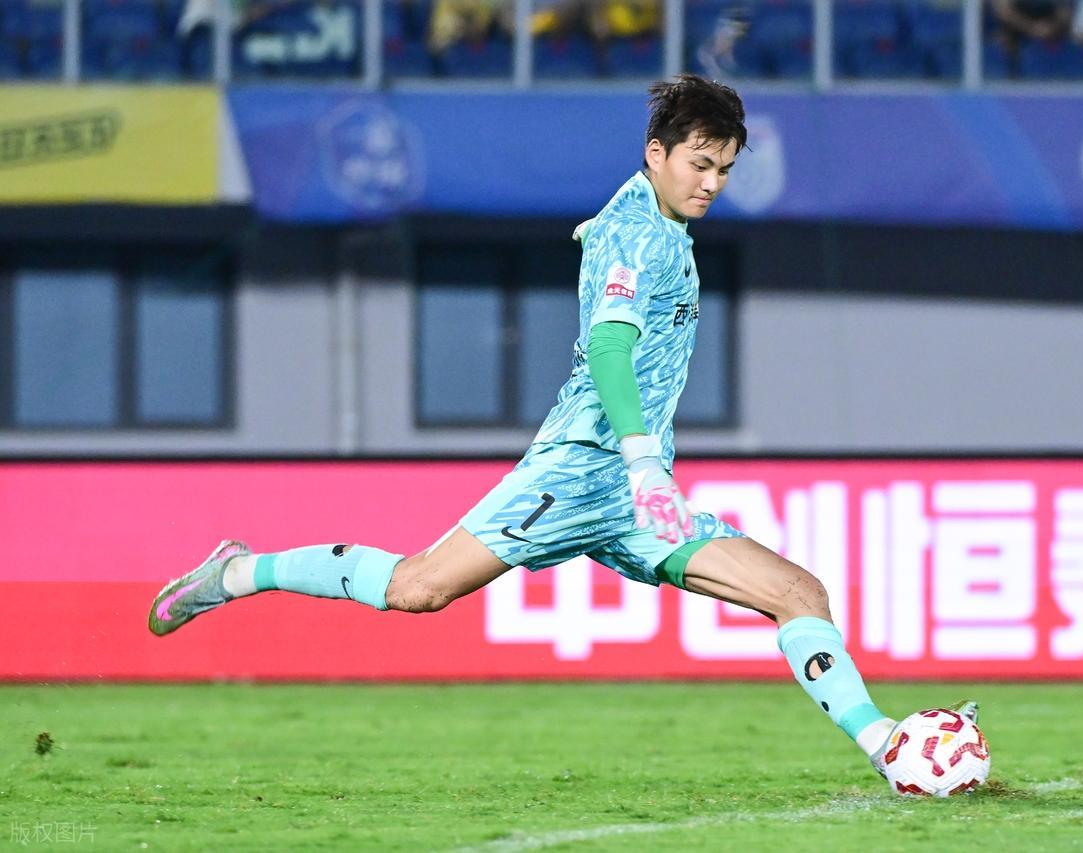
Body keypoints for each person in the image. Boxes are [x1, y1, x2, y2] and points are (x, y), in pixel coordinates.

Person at [146, 73, 975, 778]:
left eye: (724, 168)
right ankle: (239, 572)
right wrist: (643, 462)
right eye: (699, 163)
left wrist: (644, 474)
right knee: (417, 587)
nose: (712, 182)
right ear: (656, 153)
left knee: (798, 594)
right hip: (582, 470)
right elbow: (610, 349)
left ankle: (889, 751)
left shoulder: (662, 226)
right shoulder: (633, 235)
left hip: (634, 495)